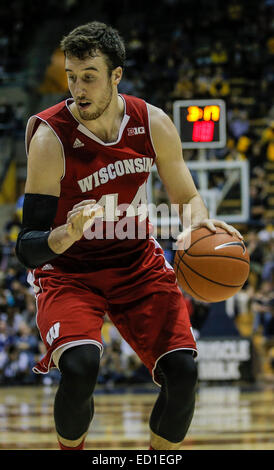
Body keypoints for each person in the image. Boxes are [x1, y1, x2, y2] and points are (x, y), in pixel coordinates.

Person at [15, 21, 243, 450]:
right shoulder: (50, 138)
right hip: (70, 272)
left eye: (89, 77)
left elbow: (187, 195)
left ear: (116, 75)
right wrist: (66, 234)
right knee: (81, 367)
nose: (78, 89)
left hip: (137, 263)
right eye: (71, 77)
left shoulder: (151, 122)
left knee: (183, 373)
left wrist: (196, 222)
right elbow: (27, 245)